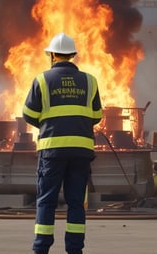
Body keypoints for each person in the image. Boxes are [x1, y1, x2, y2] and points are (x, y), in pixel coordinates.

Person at [23, 32, 103, 254]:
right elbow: (97, 115)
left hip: (52, 152)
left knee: (46, 201)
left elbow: (29, 114)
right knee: (76, 202)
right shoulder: (90, 80)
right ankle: (75, 250)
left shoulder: (41, 80)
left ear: (52, 55)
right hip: (81, 151)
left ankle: (41, 249)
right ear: (73, 55)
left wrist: (50, 124)